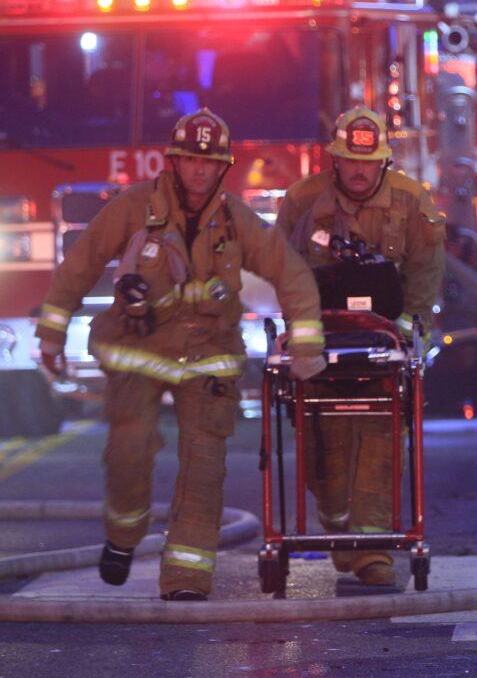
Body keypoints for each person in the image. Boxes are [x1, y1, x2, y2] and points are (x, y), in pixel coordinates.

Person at [35, 108, 326, 600]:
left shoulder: (236, 220)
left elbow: (291, 273)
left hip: (207, 356)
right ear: (174, 162)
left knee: (205, 463)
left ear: (222, 168)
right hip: (137, 350)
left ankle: (187, 577)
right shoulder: (134, 208)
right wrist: (51, 334)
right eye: (190, 160)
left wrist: (306, 342)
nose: (199, 170)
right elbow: (80, 264)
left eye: (209, 163)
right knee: (127, 453)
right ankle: (124, 537)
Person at [275, 106, 445, 586]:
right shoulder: (302, 202)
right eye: (349, 160)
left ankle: (373, 552)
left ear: (384, 163)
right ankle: (336, 528)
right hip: (319, 346)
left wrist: (406, 332)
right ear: (334, 160)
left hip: (382, 350)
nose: (358, 170)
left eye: (367, 163)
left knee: (379, 440)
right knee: (321, 446)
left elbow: (426, 273)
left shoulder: (413, 203)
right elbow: (280, 267)